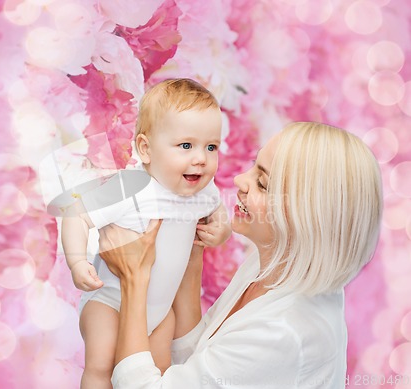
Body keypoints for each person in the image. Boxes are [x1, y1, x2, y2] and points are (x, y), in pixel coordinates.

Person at [97, 121, 383, 388]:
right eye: (253, 167)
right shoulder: (278, 263)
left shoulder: (283, 332)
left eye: (263, 184)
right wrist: (192, 254)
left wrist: (134, 278)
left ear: (307, 218)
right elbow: (199, 357)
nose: (238, 180)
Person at [61, 79, 232, 389]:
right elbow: (77, 214)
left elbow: (218, 211)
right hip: (110, 302)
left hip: (159, 312)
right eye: (186, 146)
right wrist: (77, 261)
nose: (201, 158)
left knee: (157, 373)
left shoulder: (202, 191)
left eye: (211, 147)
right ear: (145, 149)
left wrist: (221, 229)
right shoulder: (130, 187)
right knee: (101, 367)